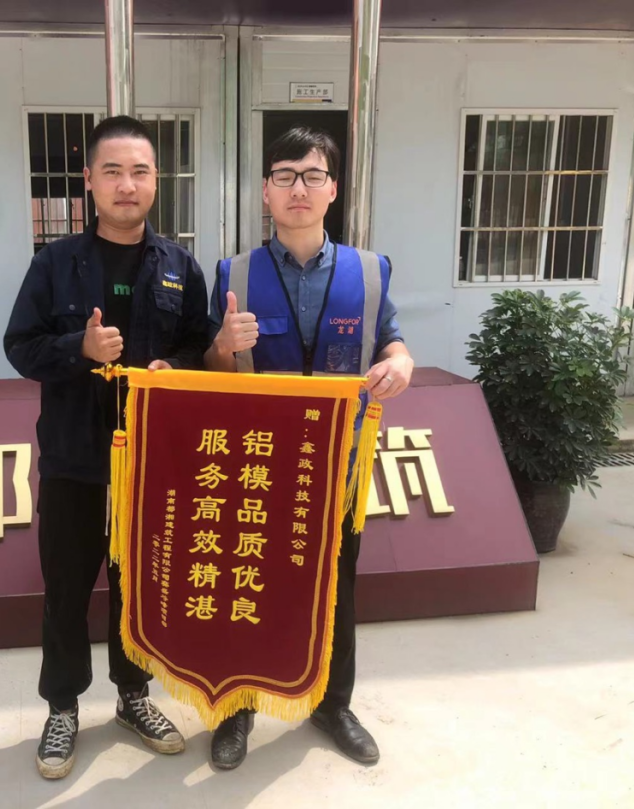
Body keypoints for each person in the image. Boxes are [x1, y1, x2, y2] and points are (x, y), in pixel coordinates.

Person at [4, 115, 210, 780]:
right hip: (73, 458)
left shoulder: (179, 266)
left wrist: (179, 366)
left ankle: (133, 696)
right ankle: (62, 706)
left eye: (140, 171)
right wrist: (80, 347)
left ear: (156, 181)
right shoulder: (53, 264)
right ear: (89, 180)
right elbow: (20, 347)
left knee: (138, 587)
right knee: (66, 588)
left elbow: (199, 347)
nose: (127, 185)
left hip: (152, 463)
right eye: (113, 171)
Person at [203, 126, 414, 770]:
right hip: (254, 462)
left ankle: (331, 703)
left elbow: (390, 340)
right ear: (266, 191)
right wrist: (223, 345)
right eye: (285, 176)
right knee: (246, 582)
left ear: (333, 190)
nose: (299, 187)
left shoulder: (369, 271)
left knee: (335, 586)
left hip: (337, 460)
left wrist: (402, 362)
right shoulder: (234, 273)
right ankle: (236, 707)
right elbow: (209, 372)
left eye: (313, 175)